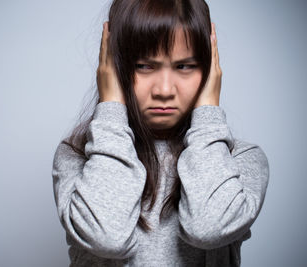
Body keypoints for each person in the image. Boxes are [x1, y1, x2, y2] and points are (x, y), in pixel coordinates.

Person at [52, 0, 269, 266]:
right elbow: (107, 238)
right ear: (113, 67)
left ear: (210, 69)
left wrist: (209, 113)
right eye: (145, 65)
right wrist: (110, 110)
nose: (164, 90)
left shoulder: (240, 161)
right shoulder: (77, 157)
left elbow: (208, 228)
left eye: (184, 66)